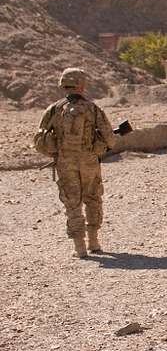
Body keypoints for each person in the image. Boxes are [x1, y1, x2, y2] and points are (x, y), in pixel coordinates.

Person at [34, 68, 119, 258]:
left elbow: (39, 139)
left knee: (72, 202)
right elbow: (110, 139)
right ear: (81, 84)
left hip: (65, 163)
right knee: (92, 198)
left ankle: (79, 247)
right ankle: (94, 242)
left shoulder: (54, 109)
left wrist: (56, 151)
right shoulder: (93, 108)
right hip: (89, 161)